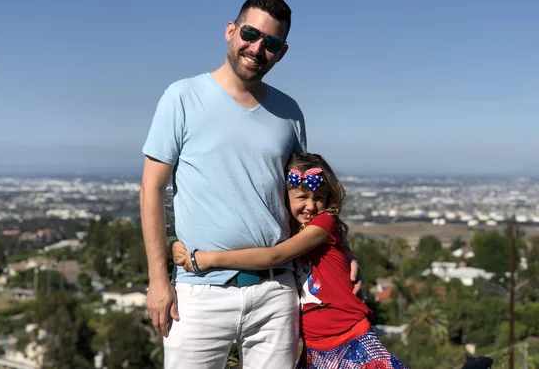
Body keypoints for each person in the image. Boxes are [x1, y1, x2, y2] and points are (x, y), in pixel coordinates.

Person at [141, 0, 360, 369]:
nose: (257, 48)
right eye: (250, 34)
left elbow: (304, 198)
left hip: (277, 292)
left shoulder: (289, 112)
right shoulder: (182, 97)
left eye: (271, 43)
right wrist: (158, 280)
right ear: (231, 31)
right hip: (199, 290)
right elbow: (152, 189)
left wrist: (344, 252)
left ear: (282, 53)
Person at [173, 153, 408, 369]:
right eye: (302, 197)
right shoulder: (288, 230)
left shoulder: (323, 223)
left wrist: (208, 258)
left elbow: (274, 256)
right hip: (316, 346)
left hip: (350, 334)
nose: (311, 206)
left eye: (319, 198)